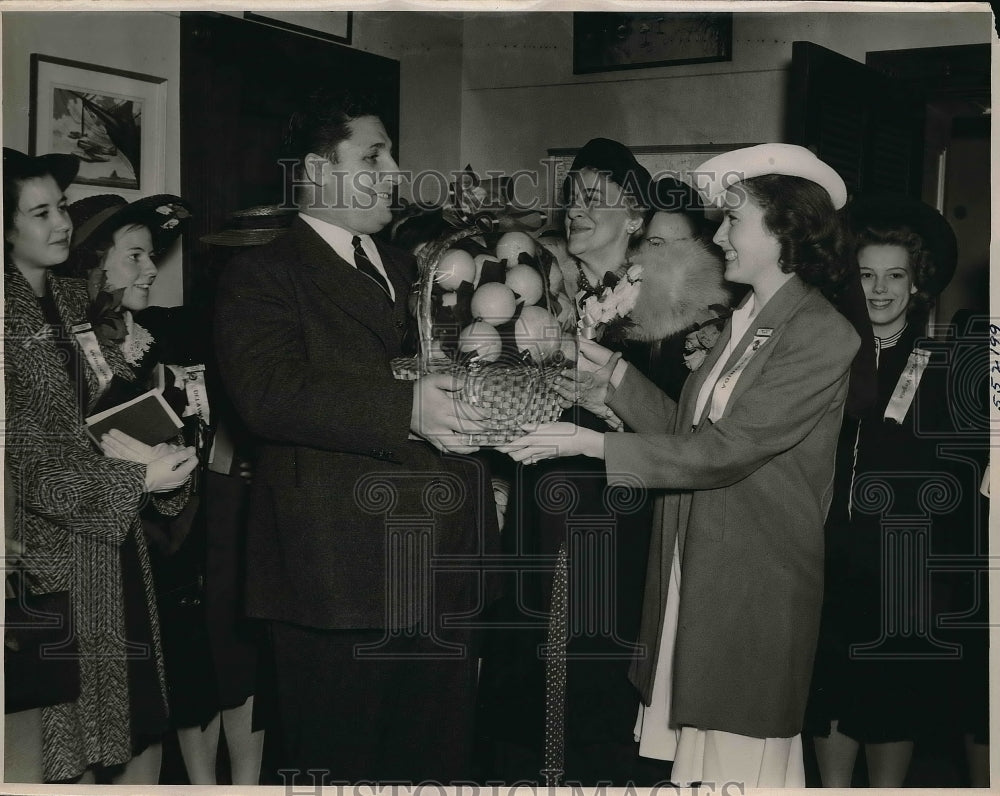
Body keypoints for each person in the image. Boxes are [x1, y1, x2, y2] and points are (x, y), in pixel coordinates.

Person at [500, 143, 860, 788]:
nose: (717, 238)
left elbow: (724, 453)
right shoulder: (748, 318)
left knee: (738, 764)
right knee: (696, 771)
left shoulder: (820, 332)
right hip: (696, 569)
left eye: (733, 221)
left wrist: (588, 445)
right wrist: (611, 376)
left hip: (751, 581)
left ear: (784, 228)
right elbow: (686, 433)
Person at [212, 87, 500, 784]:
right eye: (374, 157)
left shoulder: (410, 269)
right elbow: (268, 394)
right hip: (337, 580)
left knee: (436, 768)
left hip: (442, 570)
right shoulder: (262, 273)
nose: (396, 173)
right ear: (318, 171)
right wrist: (406, 409)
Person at [477, 140, 727, 786]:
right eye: (574, 196)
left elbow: (694, 440)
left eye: (597, 197)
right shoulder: (539, 300)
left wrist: (614, 403)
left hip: (621, 533)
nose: (578, 209)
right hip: (538, 523)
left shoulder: (678, 313)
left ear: (636, 217)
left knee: (601, 702)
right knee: (526, 691)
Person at [3, 148, 197, 784]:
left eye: (61, 206)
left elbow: (109, 414)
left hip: (114, 550)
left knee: (124, 732)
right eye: (41, 213)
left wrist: (160, 458)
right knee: (59, 750)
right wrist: (136, 479)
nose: (62, 222)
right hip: (44, 563)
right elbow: (24, 464)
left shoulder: (76, 304)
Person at [804, 195, 969, 787]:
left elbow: (959, 482)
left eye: (894, 276)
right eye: (866, 275)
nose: (878, 290)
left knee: (892, 700)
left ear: (916, 284)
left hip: (903, 568)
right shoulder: (826, 354)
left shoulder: (943, 364)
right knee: (829, 693)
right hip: (827, 558)